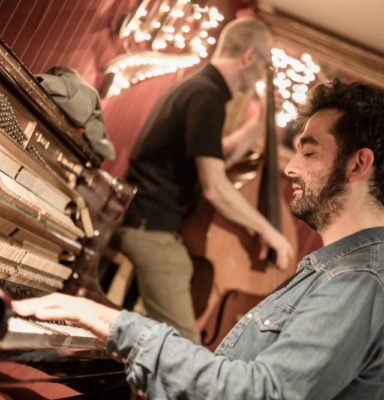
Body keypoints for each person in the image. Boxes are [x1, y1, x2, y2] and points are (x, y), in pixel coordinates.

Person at [13, 79, 384, 399]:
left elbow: (259, 394)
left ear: (358, 165)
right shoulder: (341, 272)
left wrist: (114, 323)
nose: (291, 168)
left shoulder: (359, 283)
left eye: (309, 152)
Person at [116, 17, 294, 343]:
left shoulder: (200, 88)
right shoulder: (207, 97)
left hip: (151, 223)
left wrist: (258, 122)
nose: (261, 75)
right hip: (150, 229)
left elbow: (219, 155)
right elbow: (214, 187)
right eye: (263, 65)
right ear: (249, 56)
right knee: (186, 347)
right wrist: (269, 231)